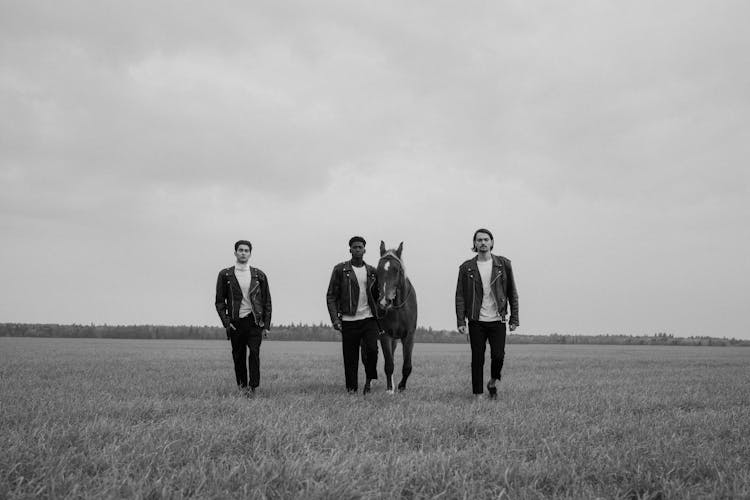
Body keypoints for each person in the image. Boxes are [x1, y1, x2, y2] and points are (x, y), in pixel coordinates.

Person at [455, 228, 519, 399]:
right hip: (476, 320)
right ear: (474, 244)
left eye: (486, 239)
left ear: (491, 242)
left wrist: (514, 318)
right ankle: (478, 395)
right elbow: (460, 295)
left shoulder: (503, 264)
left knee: (498, 356)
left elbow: (512, 292)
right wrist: (461, 321)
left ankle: (492, 382)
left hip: (498, 319)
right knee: (477, 358)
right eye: (479, 240)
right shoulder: (466, 267)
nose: (482, 243)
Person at [215, 240, 272, 395]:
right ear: (235, 253)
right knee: (238, 356)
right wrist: (227, 323)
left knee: (254, 353)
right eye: (240, 250)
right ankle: (242, 387)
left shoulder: (259, 275)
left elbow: (267, 301)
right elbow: (220, 302)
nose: (243, 253)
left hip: (254, 322)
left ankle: (252, 388)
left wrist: (266, 325)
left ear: (250, 254)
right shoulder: (225, 275)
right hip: (236, 323)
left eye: (246, 250)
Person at [326, 236, 380, 394]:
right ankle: (351, 390)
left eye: (360, 247)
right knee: (350, 358)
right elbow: (331, 296)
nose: (357, 249)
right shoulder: (340, 269)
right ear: (350, 250)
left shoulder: (372, 272)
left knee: (372, 351)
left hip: (369, 319)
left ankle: (369, 380)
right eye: (354, 247)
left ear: (365, 250)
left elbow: (378, 294)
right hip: (349, 320)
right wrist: (335, 319)